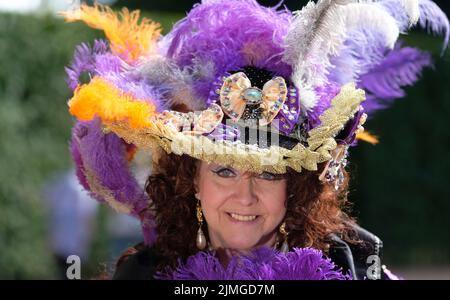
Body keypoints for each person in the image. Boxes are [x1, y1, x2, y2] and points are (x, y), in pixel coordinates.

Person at [62, 0, 448, 280]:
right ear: (193, 180)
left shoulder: (357, 271)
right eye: (225, 171)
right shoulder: (141, 275)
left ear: (295, 186)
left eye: (267, 174)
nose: (244, 197)